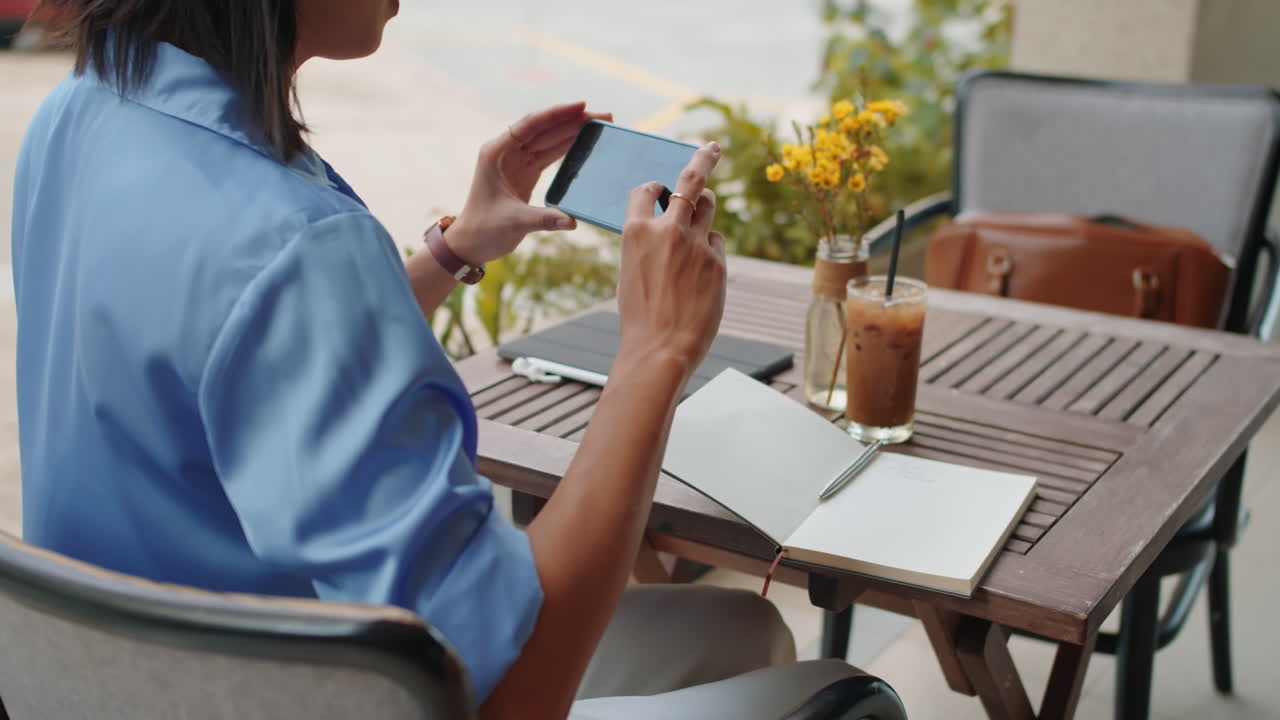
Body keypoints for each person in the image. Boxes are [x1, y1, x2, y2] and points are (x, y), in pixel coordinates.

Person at [11, 1, 865, 717]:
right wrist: (657, 348)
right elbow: (512, 697)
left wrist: (454, 250)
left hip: (142, 679)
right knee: (834, 687)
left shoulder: (82, 113)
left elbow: (243, 355)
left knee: (738, 632)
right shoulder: (296, 245)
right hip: (307, 688)